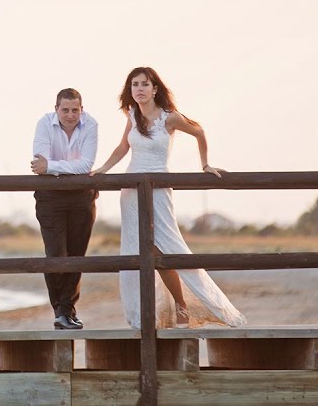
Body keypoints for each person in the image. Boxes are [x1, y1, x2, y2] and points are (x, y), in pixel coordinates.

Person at [90, 67, 246, 328]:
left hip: (160, 189)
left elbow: (199, 132)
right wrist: (103, 170)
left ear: (155, 89)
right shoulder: (132, 115)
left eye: (144, 84)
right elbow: (123, 147)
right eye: (134, 85)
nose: (139, 89)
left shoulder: (170, 118)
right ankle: (145, 315)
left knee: (166, 248)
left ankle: (183, 304)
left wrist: (205, 165)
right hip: (131, 191)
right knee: (137, 251)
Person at [29, 87, 99, 329]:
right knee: (56, 254)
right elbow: (40, 162)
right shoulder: (44, 124)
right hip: (50, 197)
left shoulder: (91, 125)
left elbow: (87, 164)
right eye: (65, 110)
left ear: (82, 109)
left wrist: (53, 166)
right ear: (56, 109)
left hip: (82, 197)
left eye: (75, 110)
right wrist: (62, 167)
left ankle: (65, 311)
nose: (71, 115)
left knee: (77, 255)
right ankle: (61, 310)